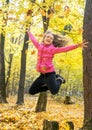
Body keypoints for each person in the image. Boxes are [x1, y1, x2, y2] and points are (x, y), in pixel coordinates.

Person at [27, 30, 88, 95]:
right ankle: (49, 86)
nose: (49, 39)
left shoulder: (52, 49)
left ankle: (60, 79)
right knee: (31, 91)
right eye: (48, 37)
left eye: (51, 38)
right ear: (44, 38)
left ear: (52, 41)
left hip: (50, 74)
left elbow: (65, 49)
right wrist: (29, 32)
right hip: (42, 75)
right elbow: (33, 40)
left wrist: (77, 46)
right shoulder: (39, 47)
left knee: (54, 92)